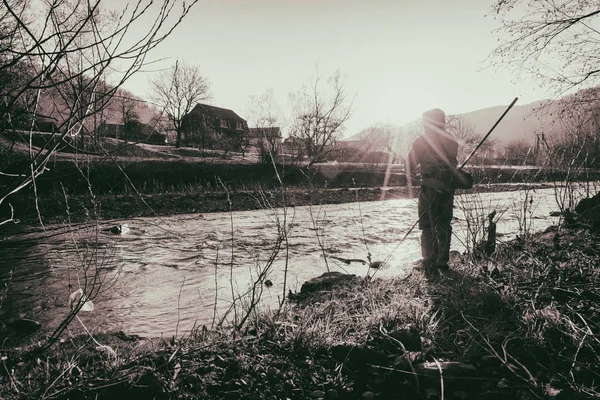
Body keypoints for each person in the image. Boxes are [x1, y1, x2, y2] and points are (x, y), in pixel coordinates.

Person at [406, 108, 459, 275]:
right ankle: (442, 262)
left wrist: (412, 174)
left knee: (427, 225)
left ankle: (428, 261)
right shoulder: (452, 140)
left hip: (429, 188)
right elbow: (452, 164)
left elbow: (408, 165)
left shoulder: (422, 140)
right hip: (448, 188)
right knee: (444, 224)